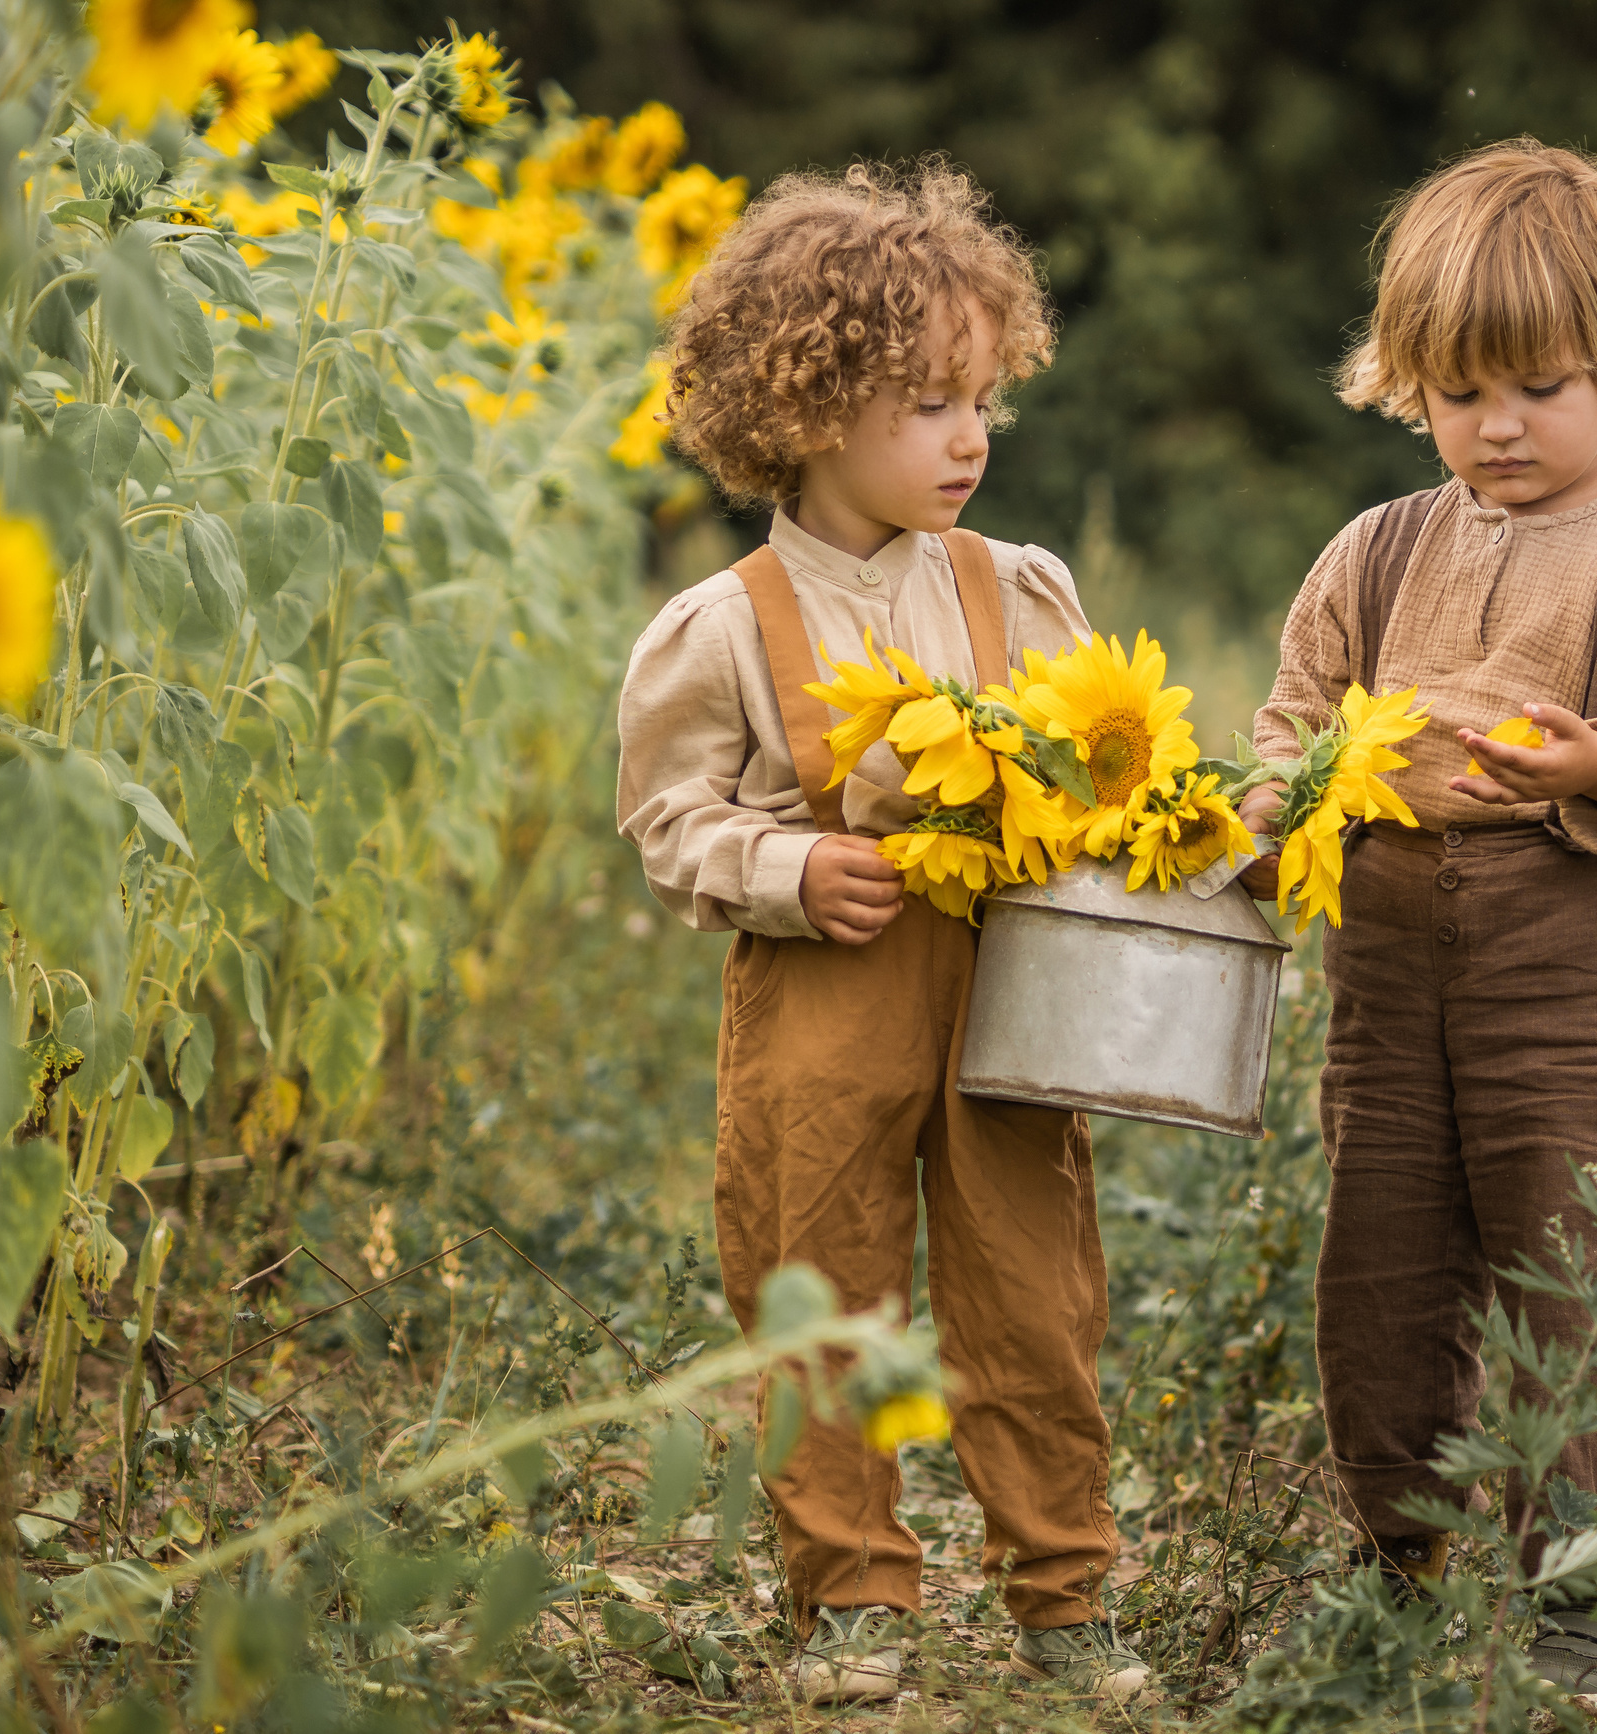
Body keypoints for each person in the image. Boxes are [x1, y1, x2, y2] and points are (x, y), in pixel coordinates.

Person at [1239, 138, 1597, 1702]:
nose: (1498, 424)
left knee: (1573, 1275)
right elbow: (1290, 727)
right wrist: (1265, 817)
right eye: (1460, 389)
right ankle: (1392, 1570)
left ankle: (1595, 1609)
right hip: (1389, 954)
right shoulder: (1379, 549)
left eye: (1537, 385)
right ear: (1408, 383)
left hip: (1575, 953)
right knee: (1382, 1267)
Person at [614, 160, 1149, 1705]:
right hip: (823, 998)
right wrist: (789, 870)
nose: (970, 437)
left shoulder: (1015, 588)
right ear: (805, 409)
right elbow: (670, 820)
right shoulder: (726, 623)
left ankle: (1064, 1594)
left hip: (1007, 988)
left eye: (983, 399)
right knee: (822, 1282)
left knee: (1030, 1290)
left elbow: (1090, 776)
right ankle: (849, 1594)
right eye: (926, 404)